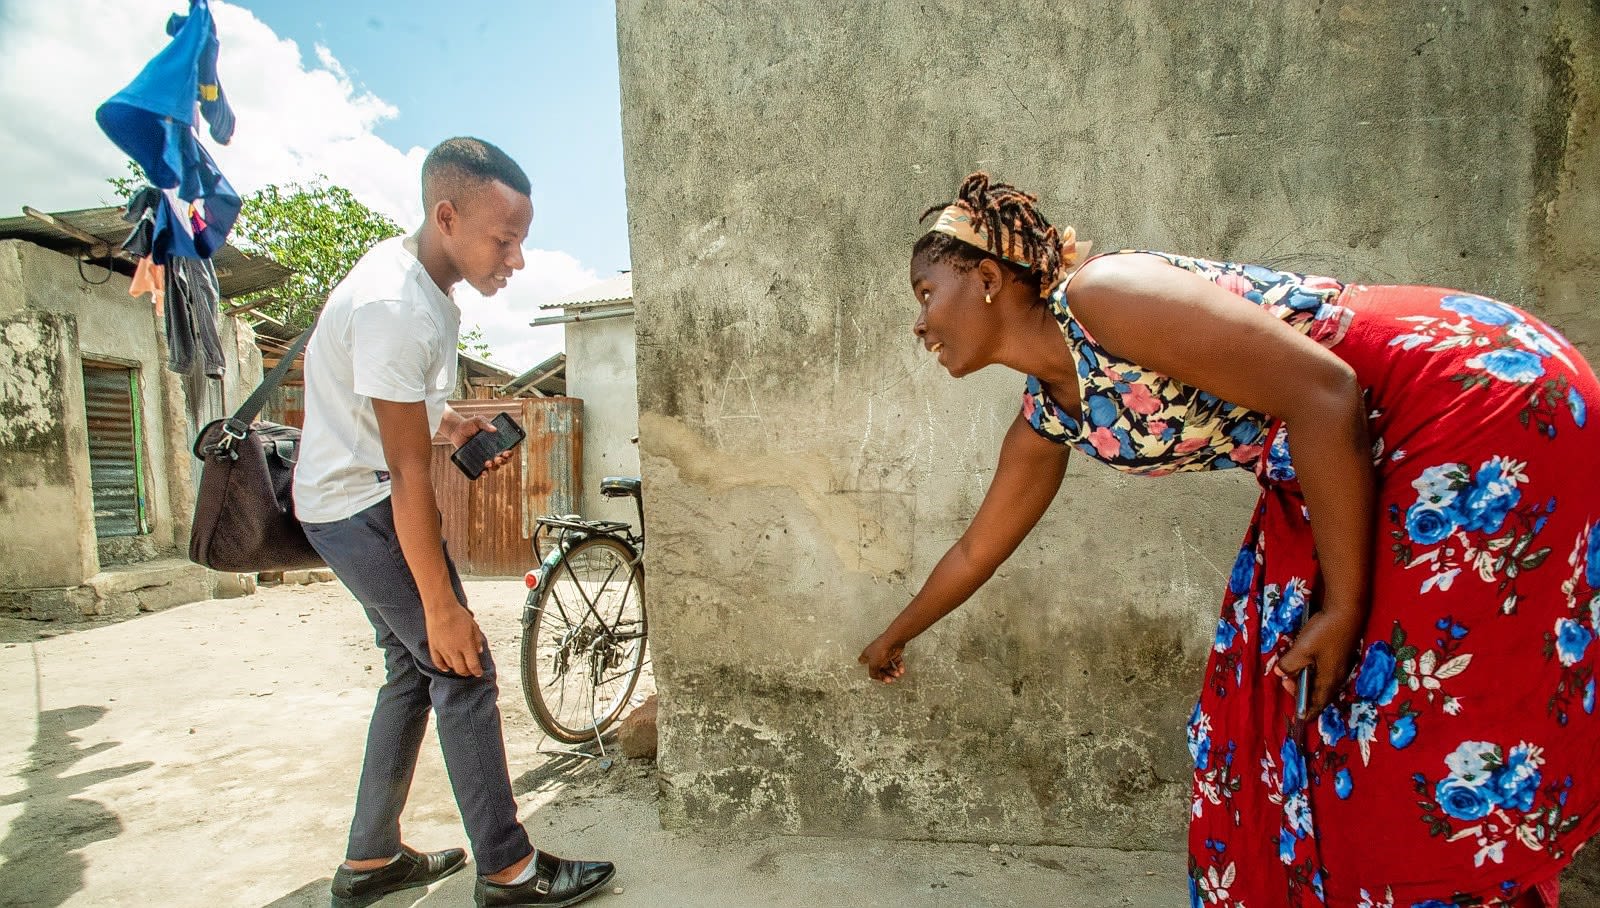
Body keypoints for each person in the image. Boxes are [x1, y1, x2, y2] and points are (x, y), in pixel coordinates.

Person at [858, 172, 1600, 907]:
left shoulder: (1105, 294)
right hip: (1354, 455)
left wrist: (1342, 608)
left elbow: (1325, 391)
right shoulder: (1051, 416)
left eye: (926, 294)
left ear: (988, 278)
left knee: (1396, 710)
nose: (919, 324)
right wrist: (893, 638)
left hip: (1465, 393)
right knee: (1295, 714)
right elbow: (977, 551)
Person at [294, 137, 615, 908]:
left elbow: (389, 414)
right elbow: (406, 476)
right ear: (447, 215)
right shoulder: (395, 305)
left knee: (413, 671)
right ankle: (508, 871)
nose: (518, 258)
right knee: (461, 663)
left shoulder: (419, 286)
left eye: (521, 240)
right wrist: (442, 605)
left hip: (353, 496)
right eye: (504, 239)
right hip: (358, 504)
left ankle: (370, 861)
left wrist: (452, 428)